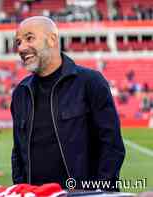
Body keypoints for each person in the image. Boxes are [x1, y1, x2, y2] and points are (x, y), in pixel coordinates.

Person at [11, 16, 125, 190]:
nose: (21, 47)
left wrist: (99, 192)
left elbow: (112, 146)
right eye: (18, 42)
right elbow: (18, 153)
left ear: (52, 39)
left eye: (29, 38)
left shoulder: (90, 82)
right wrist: (21, 188)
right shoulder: (21, 92)